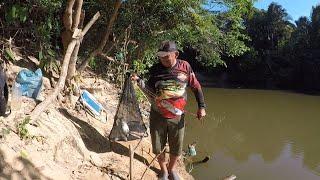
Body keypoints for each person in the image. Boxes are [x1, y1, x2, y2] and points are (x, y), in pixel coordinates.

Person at [132, 40, 206, 180]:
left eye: (166, 56)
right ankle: (164, 171)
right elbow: (149, 91)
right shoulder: (155, 69)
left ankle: (172, 169)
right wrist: (138, 81)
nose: (163, 59)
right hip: (157, 114)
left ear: (176, 54)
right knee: (158, 147)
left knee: (176, 147)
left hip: (177, 117)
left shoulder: (185, 66)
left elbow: (196, 87)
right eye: (161, 56)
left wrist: (201, 107)